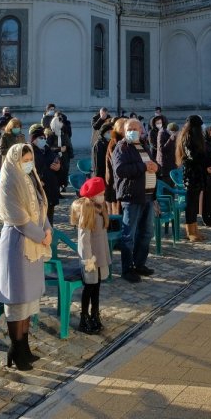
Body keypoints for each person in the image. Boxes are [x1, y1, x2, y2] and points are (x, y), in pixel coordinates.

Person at [0, 142, 51, 371]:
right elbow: (18, 216)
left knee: (29, 299)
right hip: (17, 244)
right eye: (24, 160)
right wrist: (40, 235)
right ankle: (15, 349)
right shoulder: (9, 182)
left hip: (35, 243)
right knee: (17, 299)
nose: (28, 164)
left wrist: (47, 231)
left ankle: (24, 347)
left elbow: (41, 207)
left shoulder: (31, 178)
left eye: (30, 160)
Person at [112, 117, 158, 282]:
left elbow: (152, 163)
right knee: (128, 235)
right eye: (129, 129)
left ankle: (139, 264)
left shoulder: (144, 146)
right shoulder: (121, 147)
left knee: (146, 232)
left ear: (141, 130)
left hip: (148, 195)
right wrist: (144, 167)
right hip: (132, 196)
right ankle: (127, 268)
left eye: (135, 128)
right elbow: (120, 170)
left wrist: (155, 166)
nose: (132, 131)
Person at [71, 177, 111, 334]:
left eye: (103, 193)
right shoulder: (87, 212)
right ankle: (84, 316)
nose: (102, 196)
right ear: (93, 196)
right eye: (100, 194)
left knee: (97, 287)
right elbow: (84, 241)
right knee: (89, 287)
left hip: (100, 257)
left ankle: (95, 313)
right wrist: (87, 259)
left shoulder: (101, 210)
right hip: (91, 259)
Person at [177, 115, 210, 241]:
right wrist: (204, 159)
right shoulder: (188, 137)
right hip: (191, 175)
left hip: (198, 174)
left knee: (195, 203)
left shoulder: (197, 138)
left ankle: (195, 229)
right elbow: (192, 156)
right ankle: (190, 231)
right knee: (191, 204)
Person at [31, 124, 62, 223]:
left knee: (49, 219)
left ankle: (50, 237)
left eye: (44, 137)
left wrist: (58, 167)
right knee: (39, 220)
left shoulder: (48, 150)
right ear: (34, 139)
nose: (43, 139)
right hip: (38, 190)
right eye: (41, 137)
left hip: (50, 189)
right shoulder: (29, 151)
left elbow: (56, 163)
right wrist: (37, 180)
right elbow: (27, 171)